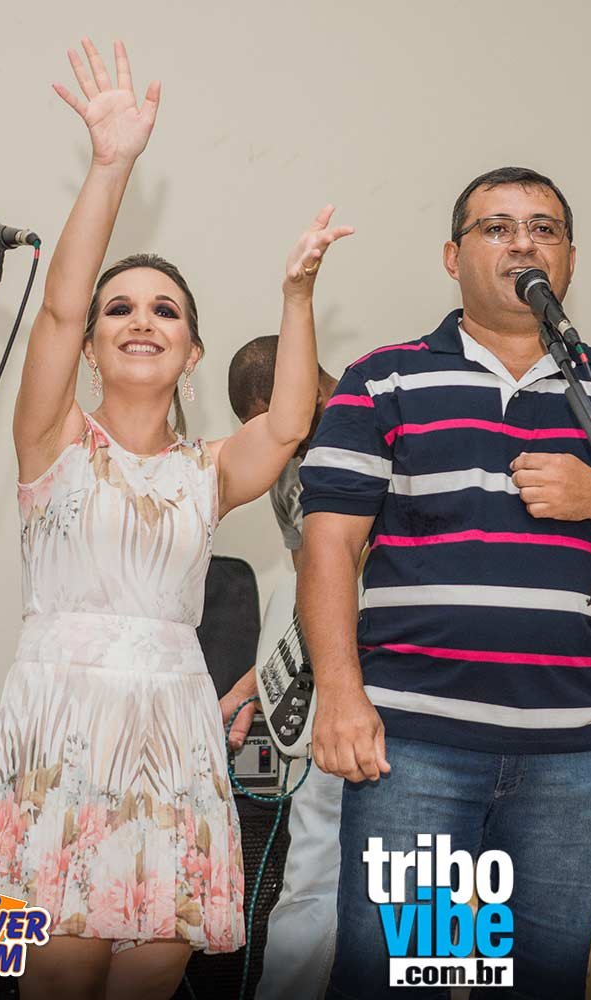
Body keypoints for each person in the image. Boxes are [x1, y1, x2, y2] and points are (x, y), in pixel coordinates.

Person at [0, 38, 351, 1000]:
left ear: (192, 351)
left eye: (166, 311)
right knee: (60, 972)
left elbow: (287, 422)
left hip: (172, 732)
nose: (141, 320)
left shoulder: (208, 472)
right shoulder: (50, 442)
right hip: (55, 730)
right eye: (120, 309)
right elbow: (54, 313)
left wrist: (297, 296)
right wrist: (110, 165)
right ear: (91, 347)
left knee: (154, 973)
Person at [298, 166, 591, 998]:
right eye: (497, 227)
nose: (523, 243)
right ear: (453, 257)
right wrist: (340, 695)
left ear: (570, 261)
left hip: (576, 753)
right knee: (402, 980)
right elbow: (329, 547)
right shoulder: (383, 380)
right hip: (416, 749)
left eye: (543, 228)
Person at [216, 336, 345, 1000]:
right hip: (329, 689)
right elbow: (307, 590)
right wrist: (256, 681)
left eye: (280, 422)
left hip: (405, 679)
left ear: (311, 392)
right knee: (311, 869)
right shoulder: (288, 467)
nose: (279, 443)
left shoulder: (382, 420)